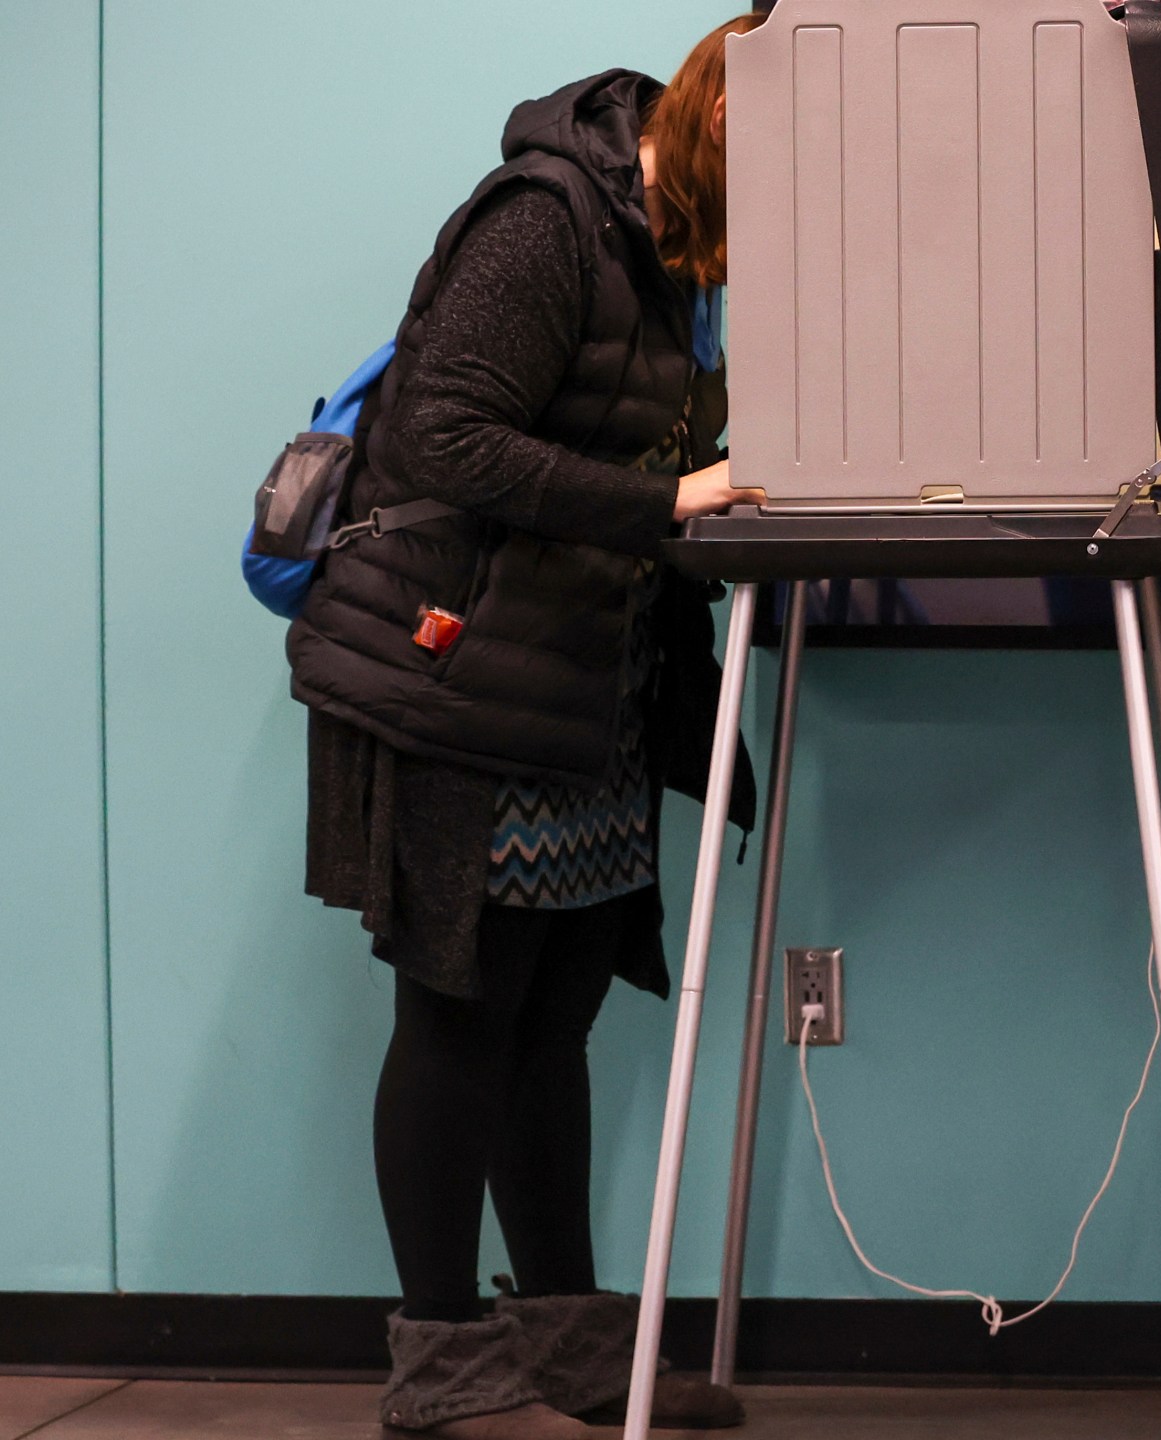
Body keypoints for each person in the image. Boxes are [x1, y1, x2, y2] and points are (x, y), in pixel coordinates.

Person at [285, 16, 769, 1439]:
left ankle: (562, 1343)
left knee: (549, 1017)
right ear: (732, 133)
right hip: (455, 679)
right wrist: (670, 505)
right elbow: (447, 437)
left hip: (574, 680)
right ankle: (438, 1367)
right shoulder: (547, 217)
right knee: (457, 1011)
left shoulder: (664, 246)